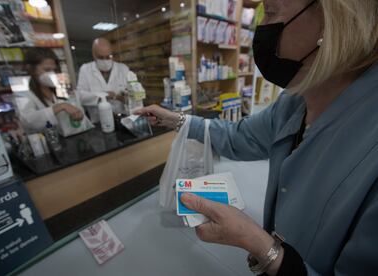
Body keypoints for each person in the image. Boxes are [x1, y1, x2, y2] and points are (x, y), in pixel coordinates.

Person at [136, 0, 378, 275]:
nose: (259, 30)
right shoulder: (294, 101)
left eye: (271, 12)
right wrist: (177, 120)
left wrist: (265, 249)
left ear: (335, 22)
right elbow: (240, 137)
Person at [13, 48, 83, 133]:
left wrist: (77, 113)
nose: (52, 74)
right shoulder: (22, 93)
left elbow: (74, 105)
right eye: (47, 70)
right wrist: (61, 106)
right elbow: (28, 120)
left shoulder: (58, 88)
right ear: (31, 69)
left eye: (54, 70)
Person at [76, 37, 129, 116]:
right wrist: (103, 95)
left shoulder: (123, 68)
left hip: (122, 116)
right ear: (94, 55)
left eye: (108, 57)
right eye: (101, 57)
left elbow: (132, 93)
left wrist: (124, 97)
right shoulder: (85, 69)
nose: (105, 60)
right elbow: (81, 96)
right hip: (98, 120)